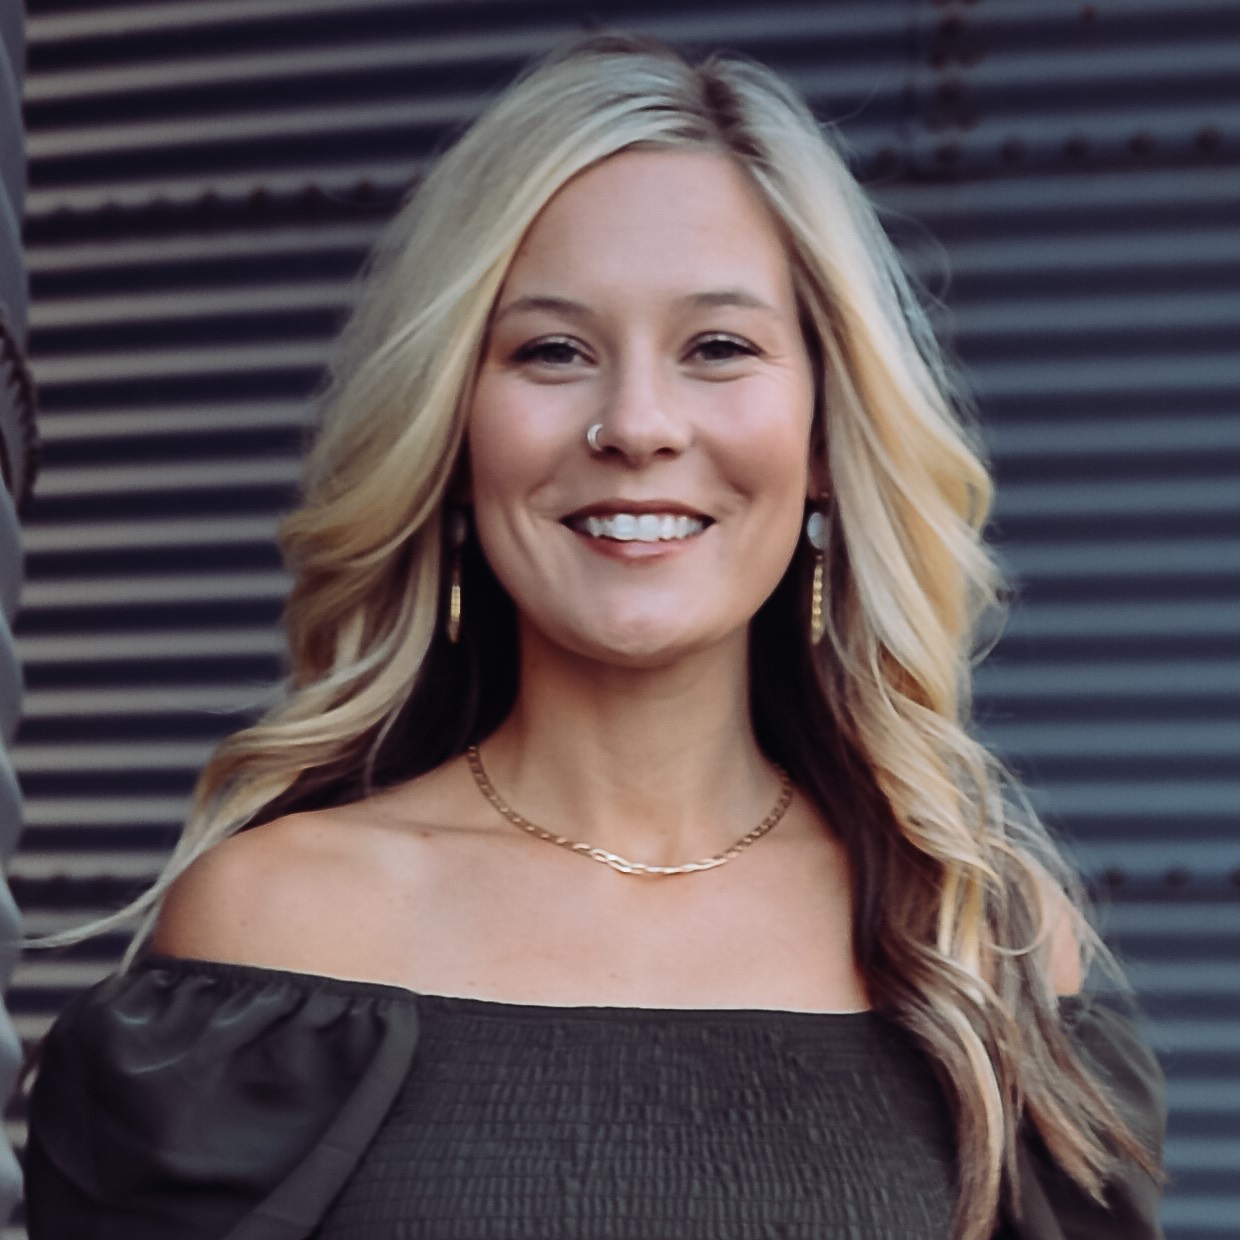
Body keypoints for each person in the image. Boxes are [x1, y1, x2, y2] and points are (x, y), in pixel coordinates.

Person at [22, 33, 1165, 1240]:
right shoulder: (271, 940)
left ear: (826, 435)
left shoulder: (981, 936)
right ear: (455, 434)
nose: (635, 423)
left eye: (717, 346)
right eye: (551, 350)